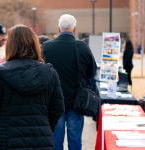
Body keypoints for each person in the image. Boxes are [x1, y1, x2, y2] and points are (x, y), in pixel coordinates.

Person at [41, 14, 97, 150]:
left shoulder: (46, 47)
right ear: (75, 29)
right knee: (75, 140)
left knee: (55, 141)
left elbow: (40, 73)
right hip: (76, 102)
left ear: (59, 29)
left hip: (54, 102)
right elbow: (92, 72)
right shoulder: (82, 47)